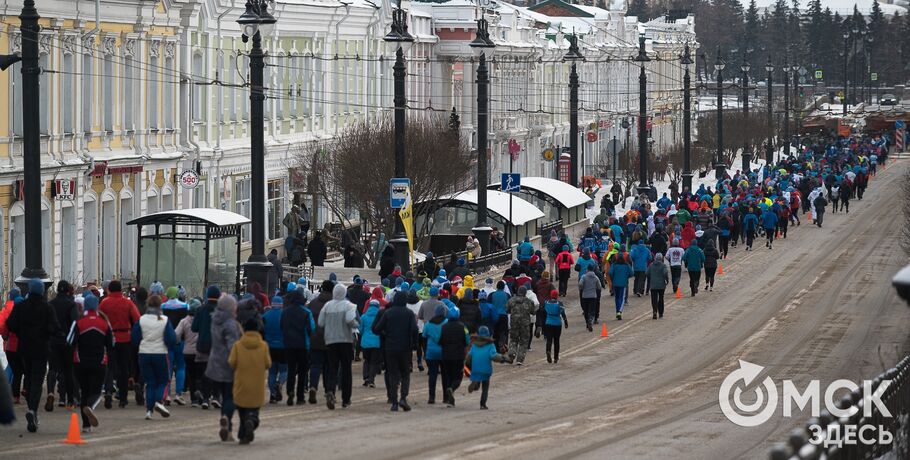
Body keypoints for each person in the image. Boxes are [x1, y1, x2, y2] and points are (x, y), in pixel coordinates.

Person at [6, 279, 59, 432]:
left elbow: (11, 324)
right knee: (37, 379)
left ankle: (31, 408)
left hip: (24, 348)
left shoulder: (21, 306)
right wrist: (48, 333)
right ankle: (33, 410)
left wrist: (21, 332)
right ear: (42, 291)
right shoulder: (47, 307)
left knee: (28, 378)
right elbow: (54, 327)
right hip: (41, 349)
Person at [68, 294, 113, 432]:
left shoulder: (79, 322)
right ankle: (90, 407)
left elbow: (70, 342)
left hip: (80, 363)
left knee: (85, 392)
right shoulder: (104, 322)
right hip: (99, 362)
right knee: (96, 392)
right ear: (97, 306)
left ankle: (86, 425)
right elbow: (111, 343)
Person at [131, 295, 177, 420]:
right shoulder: (164, 320)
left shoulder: (141, 320)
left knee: (150, 382)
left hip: (144, 353)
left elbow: (135, 338)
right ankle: (158, 401)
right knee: (163, 380)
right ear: (160, 305)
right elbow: (171, 339)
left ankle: (149, 411)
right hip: (160, 353)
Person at [372, 291, 419, 412]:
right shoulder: (409, 313)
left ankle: (394, 402)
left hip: (390, 347)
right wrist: (414, 343)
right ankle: (403, 397)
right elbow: (414, 329)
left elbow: (376, 329)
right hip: (405, 348)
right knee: (405, 374)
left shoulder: (388, 313)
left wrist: (385, 334)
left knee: (392, 374)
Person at [98, 280, 140, 409]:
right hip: (125, 338)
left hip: (110, 338)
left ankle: (109, 392)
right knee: (123, 369)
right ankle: (123, 398)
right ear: (121, 290)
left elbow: (100, 319)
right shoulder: (127, 303)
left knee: (110, 367)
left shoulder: (104, 303)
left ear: (109, 290)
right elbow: (137, 319)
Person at [228, 319, 271, 445]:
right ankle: (251, 421)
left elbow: (232, 362)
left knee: (242, 411)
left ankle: (243, 435)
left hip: (241, 383)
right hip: (257, 385)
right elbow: (268, 363)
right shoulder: (263, 345)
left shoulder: (238, 345)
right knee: (253, 411)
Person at [206, 295, 242, 442]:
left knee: (222, 395)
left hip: (215, 363)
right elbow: (232, 346)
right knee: (230, 396)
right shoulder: (230, 324)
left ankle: (225, 425)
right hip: (228, 364)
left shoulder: (215, 320)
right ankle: (227, 420)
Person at [318, 283, 359, 410]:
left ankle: (330, 390)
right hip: (345, 340)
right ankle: (346, 399)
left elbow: (320, 323)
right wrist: (356, 325)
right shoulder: (349, 306)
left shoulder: (327, 306)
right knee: (346, 370)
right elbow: (349, 319)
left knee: (332, 368)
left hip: (330, 341)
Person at [47, 280, 79, 411]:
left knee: (53, 369)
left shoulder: (51, 304)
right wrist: (72, 340)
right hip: (66, 341)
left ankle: (50, 392)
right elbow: (74, 323)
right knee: (68, 370)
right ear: (67, 291)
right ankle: (70, 400)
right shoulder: (71, 305)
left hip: (52, 341)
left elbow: (47, 323)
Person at [280, 289, 314, 406]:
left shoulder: (285, 312)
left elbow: (281, 326)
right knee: (302, 371)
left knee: (291, 370)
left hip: (289, 344)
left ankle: (290, 391)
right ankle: (300, 396)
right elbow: (311, 329)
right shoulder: (306, 312)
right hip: (303, 345)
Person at [466, 326, 508, 410]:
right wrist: (503, 358)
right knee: (485, 388)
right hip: (486, 369)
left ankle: (475, 384)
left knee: (477, 380)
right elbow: (494, 356)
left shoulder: (474, 345)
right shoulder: (490, 345)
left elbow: (469, 357)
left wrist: (468, 366)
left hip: (476, 368)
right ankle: (483, 404)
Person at [192, 285, 221, 409]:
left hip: (203, 345)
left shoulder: (200, 309)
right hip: (218, 346)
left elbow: (194, 328)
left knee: (205, 371)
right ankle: (216, 396)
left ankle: (205, 398)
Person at [438, 306, 469, 407]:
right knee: (458, 377)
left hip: (446, 355)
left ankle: (449, 399)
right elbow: (467, 341)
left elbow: (440, 341)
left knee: (448, 376)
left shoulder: (444, 326)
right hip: (458, 356)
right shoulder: (463, 327)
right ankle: (452, 389)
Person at [175, 300, 203, 407]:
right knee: (200, 374)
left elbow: (177, 334)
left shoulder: (183, 321)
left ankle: (193, 400)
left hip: (187, 352)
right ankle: (201, 393)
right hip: (200, 351)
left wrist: (177, 342)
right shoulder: (202, 321)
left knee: (191, 376)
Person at [262, 296, 287, 404]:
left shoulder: (265, 316)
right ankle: (280, 383)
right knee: (284, 370)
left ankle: (272, 394)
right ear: (281, 304)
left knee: (271, 372)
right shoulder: (284, 315)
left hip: (269, 347)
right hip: (283, 346)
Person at [421, 304, 447, 404]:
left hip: (431, 352)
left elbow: (424, 336)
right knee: (445, 375)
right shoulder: (446, 323)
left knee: (432, 375)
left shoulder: (428, 324)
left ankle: (431, 397)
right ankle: (445, 396)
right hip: (444, 352)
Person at [506, 286, 535, 364]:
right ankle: (520, 359)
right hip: (525, 324)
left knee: (513, 339)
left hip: (514, 323)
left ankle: (511, 354)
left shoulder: (511, 300)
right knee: (524, 341)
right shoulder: (529, 302)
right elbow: (533, 312)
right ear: (525, 293)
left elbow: (507, 310)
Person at [359, 300, 382, 388]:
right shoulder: (380, 317)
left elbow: (360, 330)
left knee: (366, 360)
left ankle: (366, 378)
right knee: (374, 362)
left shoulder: (364, 316)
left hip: (365, 342)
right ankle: (372, 380)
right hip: (376, 342)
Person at [540, 290, 568, 363]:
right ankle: (556, 357)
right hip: (557, 323)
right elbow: (563, 313)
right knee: (556, 341)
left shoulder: (546, 303)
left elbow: (542, 311)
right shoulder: (559, 303)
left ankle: (548, 351)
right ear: (557, 296)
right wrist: (565, 321)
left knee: (549, 340)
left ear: (551, 295)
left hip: (548, 322)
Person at [608, 255, 633, 320]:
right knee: (622, 298)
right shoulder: (626, 265)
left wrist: (612, 278)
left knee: (617, 298)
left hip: (615, 283)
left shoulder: (614, 265)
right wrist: (626, 277)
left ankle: (617, 311)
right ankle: (619, 311)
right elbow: (632, 273)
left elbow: (610, 272)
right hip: (623, 283)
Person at [647, 253, 669, 319]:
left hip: (653, 285)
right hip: (661, 285)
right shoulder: (663, 265)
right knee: (661, 298)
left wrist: (650, 278)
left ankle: (654, 311)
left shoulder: (651, 265)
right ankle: (661, 313)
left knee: (654, 299)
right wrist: (666, 280)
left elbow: (647, 273)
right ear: (661, 258)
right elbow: (665, 273)